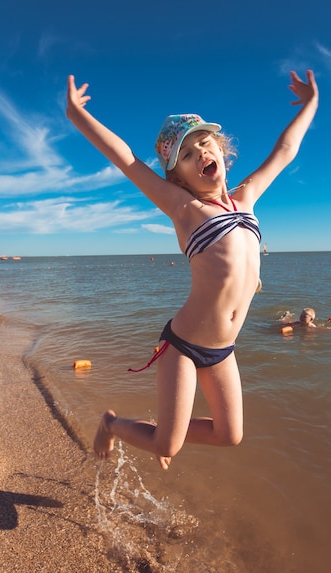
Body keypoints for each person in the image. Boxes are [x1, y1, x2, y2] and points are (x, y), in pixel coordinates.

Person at [66, 69, 318, 470]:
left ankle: (166, 428)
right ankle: (112, 425)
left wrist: (310, 105)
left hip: (222, 349)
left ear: (221, 151)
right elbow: (125, 158)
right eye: (186, 154)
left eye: (205, 144)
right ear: (177, 176)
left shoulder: (247, 198)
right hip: (182, 345)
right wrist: (77, 114)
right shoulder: (184, 209)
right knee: (169, 443)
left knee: (229, 435)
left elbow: (285, 150)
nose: (201, 153)